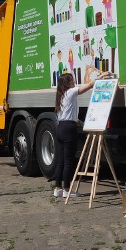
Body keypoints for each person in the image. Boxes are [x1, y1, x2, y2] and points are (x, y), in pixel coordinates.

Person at [53, 70, 110, 198]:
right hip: (68, 129)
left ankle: (58, 188)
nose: (74, 82)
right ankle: (67, 189)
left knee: (61, 161)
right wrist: (101, 76)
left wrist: (80, 121)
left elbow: (66, 114)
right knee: (68, 161)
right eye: (72, 80)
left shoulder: (60, 95)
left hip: (60, 127)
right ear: (67, 83)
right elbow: (89, 85)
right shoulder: (71, 92)